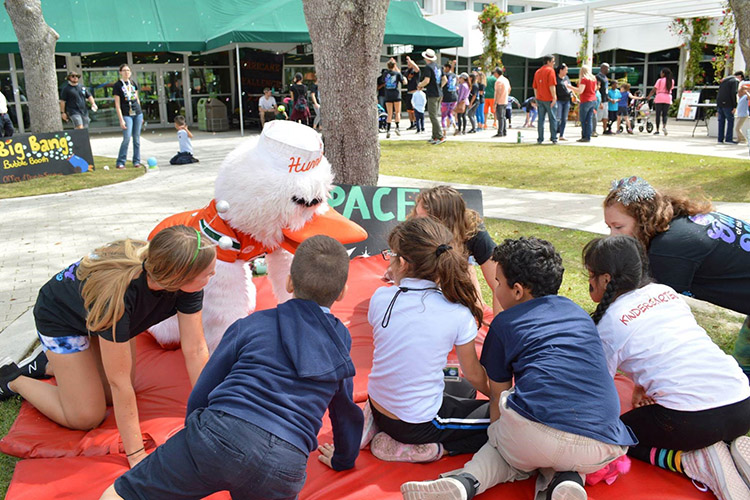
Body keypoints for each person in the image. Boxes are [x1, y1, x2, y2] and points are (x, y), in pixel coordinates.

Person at [99, 235, 362, 500]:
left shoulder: (251, 325)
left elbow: (206, 386)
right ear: (343, 292)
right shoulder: (340, 342)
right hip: (286, 462)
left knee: (123, 494)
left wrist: (197, 437)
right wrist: (344, 457)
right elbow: (344, 409)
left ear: (289, 282)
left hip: (219, 434)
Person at [401, 237, 635, 500]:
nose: (495, 287)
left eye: (498, 282)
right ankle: (566, 483)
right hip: (603, 442)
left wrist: (497, 438)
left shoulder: (504, 324)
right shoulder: (578, 313)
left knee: (504, 447)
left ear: (518, 290)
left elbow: (498, 396)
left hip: (536, 434)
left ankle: (466, 482)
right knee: (567, 454)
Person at [0, 226, 216, 469]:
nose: (213, 275)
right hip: (62, 318)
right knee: (87, 415)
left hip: (100, 317)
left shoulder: (186, 285)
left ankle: (51, 366)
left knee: (110, 397)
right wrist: (136, 455)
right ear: (178, 277)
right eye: (208, 273)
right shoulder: (120, 297)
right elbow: (119, 382)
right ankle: (13, 377)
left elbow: (196, 350)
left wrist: (212, 409)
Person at [583, 235, 750, 500]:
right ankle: (730, 450)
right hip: (742, 403)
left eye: (589, 275)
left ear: (604, 279)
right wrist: (642, 385)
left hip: (692, 420)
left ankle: (690, 461)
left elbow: (597, 391)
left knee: (618, 435)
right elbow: (666, 345)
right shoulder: (664, 292)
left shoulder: (608, 325)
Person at [364, 217, 490, 463]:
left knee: (465, 389)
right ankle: (426, 449)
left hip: (377, 404)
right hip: (416, 424)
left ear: (401, 263)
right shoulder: (456, 312)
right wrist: (501, 398)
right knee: (502, 421)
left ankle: (375, 424)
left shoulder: (380, 297)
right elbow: (475, 374)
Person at [603, 176, 750, 378]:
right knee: (744, 366)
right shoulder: (680, 221)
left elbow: (657, 319)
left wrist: (642, 383)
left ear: (643, 219)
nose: (612, 236)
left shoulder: (668, 250)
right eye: (609, 227)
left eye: (618, 227)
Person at [412, 185, 500, 314]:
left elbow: (498, 283)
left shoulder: (474, 231)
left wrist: (499, 327)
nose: (417, 221)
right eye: (417, 214)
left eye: (424, 218)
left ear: (443, 221)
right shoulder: (417, 228)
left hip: (458, 273)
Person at [113, 64, 144, 170]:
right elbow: (117, 104)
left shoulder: (133, 83)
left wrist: (141, 112)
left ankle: (137, 161)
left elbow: (137, 98)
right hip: (126, 114)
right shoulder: (117, 85)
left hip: (137, 113)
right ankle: (121, 162)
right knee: (126, 138)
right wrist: (121, 119)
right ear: (120, 72)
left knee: (137, 139)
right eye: (124, 70)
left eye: (128, 70)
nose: (127, 72)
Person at [418, 48, 446, 145]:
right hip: (439, 93)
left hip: (432, 94)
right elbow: (444, 80)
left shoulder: (428, 67)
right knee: (435, 115)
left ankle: (440, 136)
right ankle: (434, 136)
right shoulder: (438, 67)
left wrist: (420, 85)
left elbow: (427, 81)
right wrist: (439, 87)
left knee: (433, 116)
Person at [532, 54, 558, 144]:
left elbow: (535, 87)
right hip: (549, 99)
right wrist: (554, 97)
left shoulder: (538, 72)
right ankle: (554, 138)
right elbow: (552, 85)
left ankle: (540, 138)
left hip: (540, 99)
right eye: (553, 61)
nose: (554, 63)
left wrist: (536, 97)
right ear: (548, 62)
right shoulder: (550, 71)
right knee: (553, 119)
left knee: (541, 120)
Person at [716, 71, 745, 144]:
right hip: (728, 104)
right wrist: (734, 106)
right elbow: (733, 93)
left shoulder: (724, 81)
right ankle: (728, 139)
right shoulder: (735, 81)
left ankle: (720, 139)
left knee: (721, 121)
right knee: (730, 121)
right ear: (740, 77)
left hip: (720, 103)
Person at [571, 64, 597, 143]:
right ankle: (588, 136)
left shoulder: (584, 79)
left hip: (585, 100)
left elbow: (580, 91)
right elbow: (595, 89)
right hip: (593, 100)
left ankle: (584, 136)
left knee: (583, 120)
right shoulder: (593, 79)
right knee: (589, 119)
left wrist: (570, 87)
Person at [646, 68, 675, 136]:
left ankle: (657, 130)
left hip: (659, 96)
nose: (660, 74)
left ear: (663, 73)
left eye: (661, 73)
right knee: (665, 114)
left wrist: (649, 96)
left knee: (658, 114)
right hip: (668, 97)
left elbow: (654, 89)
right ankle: (664, 126)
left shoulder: (659, 80)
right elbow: (671, 89)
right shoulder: (671, 81)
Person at [384, 58, 407, 139]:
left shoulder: (385, 73)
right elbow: (404, 82)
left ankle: (388, 130)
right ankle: (397, 127)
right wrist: (398, 70)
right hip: (396, 94)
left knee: (389, 113)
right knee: (397, 112)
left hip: (387, 94)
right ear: (394, 66)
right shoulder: (397, 74)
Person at [441, 60, 459, 136]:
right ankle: (455, 126)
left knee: (443, 116)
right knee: (450, 114)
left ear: (447, 68)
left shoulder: (445, 75)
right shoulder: (454, 76)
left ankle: (444, 131)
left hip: (446, 97)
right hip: (454, 97)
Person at [555, 63, 573, 141]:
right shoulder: (556, 79)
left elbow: (570, 88)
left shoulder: (566, 78)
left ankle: (561, 135)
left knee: (564, 118)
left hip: (567, 100)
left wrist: (574, 96)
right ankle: (554, 134)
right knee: (558, 118)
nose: (567, 72)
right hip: (559, 100)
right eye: (566, 70)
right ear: (561, 70)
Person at [404, 56, 421, 130]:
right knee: (409, 110)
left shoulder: (416, 72)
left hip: (415, 93)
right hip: (409, 93)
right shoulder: (407, 72)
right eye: (407, 63)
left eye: (409, 63)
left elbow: (417, 68)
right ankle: (411, 123)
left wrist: (411, 61)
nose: (408, 64)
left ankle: (416, 123)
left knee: (415, 109)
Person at [493, 68, 510, 138]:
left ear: (497, 73)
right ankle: (504, 131)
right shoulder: (505, 80)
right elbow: (509, 89)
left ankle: (500, 132)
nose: (493, 74)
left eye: (494, 73)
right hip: (505, 100)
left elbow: (498, 92)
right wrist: (506, 95)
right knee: (503, 117)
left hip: (500, 101)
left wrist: (496, 102)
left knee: (500, 117)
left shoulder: (498, 81)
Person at [596, 63, 611, 135]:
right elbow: (597, 89)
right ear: (603, 68)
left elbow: (606, 90)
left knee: (605, 116)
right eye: (607, 68)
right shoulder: (598, 77)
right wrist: (600, 101)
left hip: (606, 100)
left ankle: (605, 129)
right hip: (600, 100)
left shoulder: (605, 77)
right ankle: (593, 130)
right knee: (598, 116)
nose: (608, 70)